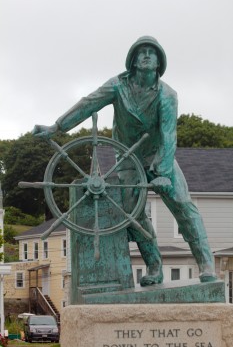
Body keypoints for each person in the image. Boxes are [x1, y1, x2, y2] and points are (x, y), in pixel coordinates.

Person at [33, 36, 217, 285]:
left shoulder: (167, 95)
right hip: (128, 159)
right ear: (132, 60)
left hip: (159, 155)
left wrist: (162, 171)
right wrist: (57, 127)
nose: (147, 55)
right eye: (141, 51)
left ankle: (206, 265)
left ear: (159, 62)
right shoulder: (118, 86)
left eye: (152, 52)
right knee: (134, 215)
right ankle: (154, 267)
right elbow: (88, 103)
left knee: (184, 206)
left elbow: (168, 135)